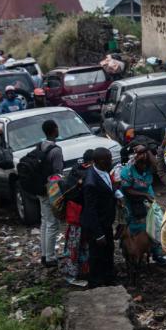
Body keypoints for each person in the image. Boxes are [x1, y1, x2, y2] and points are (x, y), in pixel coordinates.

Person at [118, 141, 166, 263]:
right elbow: (127, 190)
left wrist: (146, 149)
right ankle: (132, 252)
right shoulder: (127, 171)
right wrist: (144, 195)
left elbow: (157, 166)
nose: (143, 164)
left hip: (146, 196)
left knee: (154, 224)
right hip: (131, 200)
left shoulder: (148, 166)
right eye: (139, 155)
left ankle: (156, 253)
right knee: (133, 225)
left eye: (144, 155)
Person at [80, 147, 120, 287]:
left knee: (109, 250)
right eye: (109, 159)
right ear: (101, 161)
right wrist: (98, 234)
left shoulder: (102, 171)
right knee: (96, 254)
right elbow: (90, 210)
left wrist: (115, 193)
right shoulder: (90, 183)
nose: (111, 162)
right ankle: (95, 283)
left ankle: (109, 277)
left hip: (105, 221)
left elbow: (108, 187)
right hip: (96, 225)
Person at [60, 150, 93, 287]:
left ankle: (79, 272)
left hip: (74, 215)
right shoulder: (87, 175)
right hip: (79, 216)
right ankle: (71, 275)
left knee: (76, 245)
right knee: (77, 246)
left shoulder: (75, 170)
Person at [36, 120, 66, 268]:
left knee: (44, 222)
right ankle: (50, 257)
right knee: (53, 224)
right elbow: (58, 174)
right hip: (50, 190)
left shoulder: (40, 145)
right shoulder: (56, 150)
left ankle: (44, 254)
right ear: (54, 130)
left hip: (40, 188)